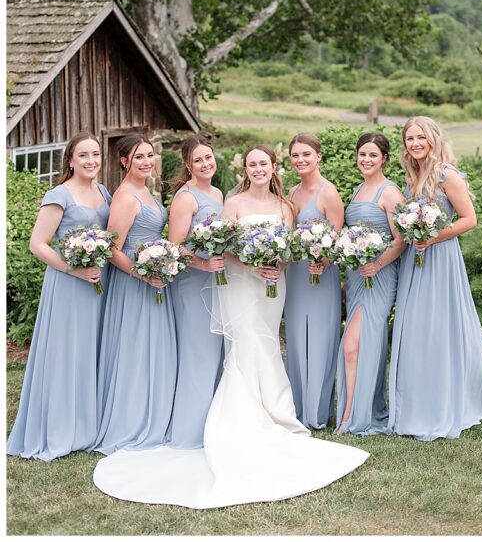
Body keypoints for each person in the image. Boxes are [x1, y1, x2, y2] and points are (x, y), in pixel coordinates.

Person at [92, 145, 368, 508]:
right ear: (245, 168)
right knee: (246, 343)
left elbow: (287, 250)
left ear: (273, 168)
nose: (257, 169)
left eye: (263, 163)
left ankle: (275, 410)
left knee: (267, 342)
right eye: (252, 163)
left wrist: (277, 267)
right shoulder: (232, 202)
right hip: (239, 283)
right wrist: (250, 264)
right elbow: (224, 245)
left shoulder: (287, 207)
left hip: (273, 286)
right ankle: (244, 416)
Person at [388, 117, 482, 440]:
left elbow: (470, 219)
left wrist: (434, 236)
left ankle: (446, 399)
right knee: (416, 327)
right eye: (409, 138)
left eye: (420, 137)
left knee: (439, 326)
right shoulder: (412, 176)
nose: (414, 143)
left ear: (433, 138)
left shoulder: (446, 174)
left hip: (440, 258)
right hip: (417, 257)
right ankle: (415, 400)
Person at [7, 133, 111, 460]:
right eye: (83, 155)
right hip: (68, 283)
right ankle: (61, 425)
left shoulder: (103, 191)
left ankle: (88, 424)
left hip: (98, 281)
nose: (91, 160)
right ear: (70, 160)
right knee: (67, 350)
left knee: (91, 349)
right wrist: (73, 269)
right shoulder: (58, 194)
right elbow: (37, 244)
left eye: (95, 154)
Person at [92, 134, 176, 454]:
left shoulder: (147, 191)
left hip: (153, 278)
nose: (146, 161)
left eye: (150, 155)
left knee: (152, 348)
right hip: (132, 283)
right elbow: (113, 249)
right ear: (124, 161)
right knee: (135, 349)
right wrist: (143, 274)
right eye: (139, 157)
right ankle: (131, 420)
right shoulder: (126, 197)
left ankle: (153, 413)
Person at [335, 133, 406, 434]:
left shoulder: (390, 192)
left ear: (385, 159)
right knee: (360, 344)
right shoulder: (357, 189)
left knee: (354, 345)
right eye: (362, 154)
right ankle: (358, 408)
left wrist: (376, 264)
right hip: (356, 276)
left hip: (379, 275)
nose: (366, 160)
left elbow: (402, 240)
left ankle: (354, 414)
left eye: (373, 155)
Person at [165, 136, 225, 449]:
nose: (205, 164)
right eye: (199, 160)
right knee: (197, 353)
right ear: (188, 165)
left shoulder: (216, 193)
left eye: (209, 158)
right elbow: (175, 246)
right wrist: (202, 264)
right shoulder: (185, 198)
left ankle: (213, 424)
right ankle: (190, 432)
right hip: (192, 282)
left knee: (215, 353)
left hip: (215, 280)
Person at [284, 133, 345, 429]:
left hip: (321, 275)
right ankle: (295, 407)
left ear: (318, 156)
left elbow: (337, 239)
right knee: (296, 338)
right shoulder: (292, 192)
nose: (300, 160)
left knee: (319, 339)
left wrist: (323, 261)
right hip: (295, 273)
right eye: (295, 155)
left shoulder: (328, 193)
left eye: (306, 154)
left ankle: (316, 412)